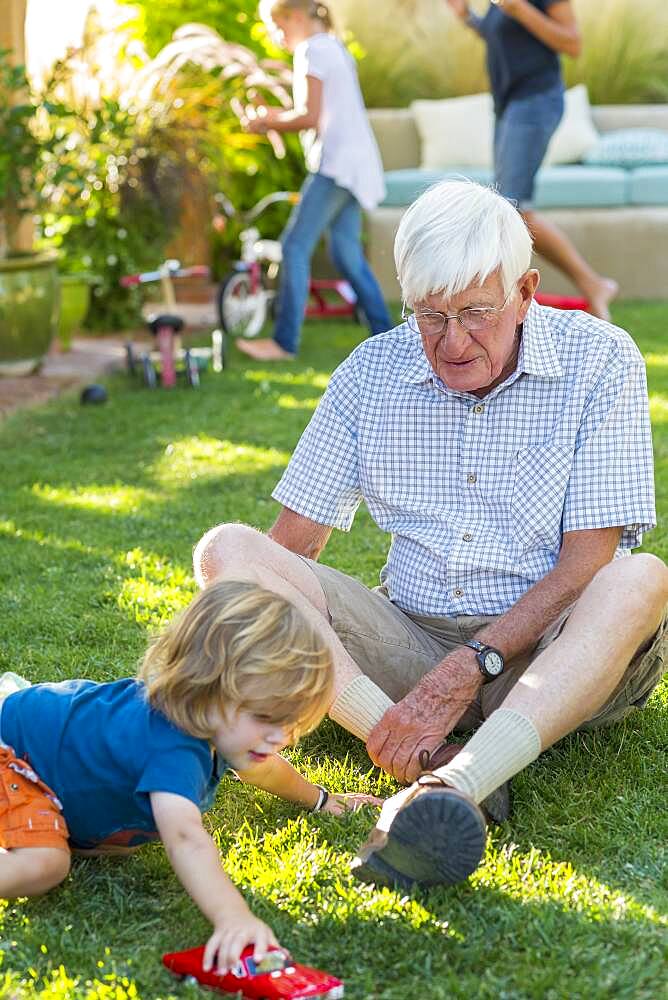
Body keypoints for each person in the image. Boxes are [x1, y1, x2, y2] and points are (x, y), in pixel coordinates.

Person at [193, 179, 668, 891]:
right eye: (430, 315)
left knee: (640, 577)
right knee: (226, 550)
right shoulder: (369, 373)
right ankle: (423, 758)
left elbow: (584, 566)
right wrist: (232, 649)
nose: (452, 341)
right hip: (410, 641)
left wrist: (469, 666)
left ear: (528, 289)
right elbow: (289, 549)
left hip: (562, 649)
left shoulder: (601, 359)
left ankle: (458, 782)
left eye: (477, 312)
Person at [0, 580, 379, 969]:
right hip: (13, 755)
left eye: (289, 721)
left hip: (47, 748)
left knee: (118, 843)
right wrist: (233, 916)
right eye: (266, 717)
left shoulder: (221, 726)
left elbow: (264, 771)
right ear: (208, 684)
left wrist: (322, 799)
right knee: (46, 863)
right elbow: (185, 838)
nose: (279, 736)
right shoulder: (173, 746)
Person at [236, 0, 392, 361]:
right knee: (346, 253)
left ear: (292, 16)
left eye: (277, 26)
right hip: (355, 164)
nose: (277, 35)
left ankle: (283, 343)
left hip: (336, 166)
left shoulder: (311, 51)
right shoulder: (330, 45)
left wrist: (264, 123)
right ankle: (387, 337)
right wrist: (276, 115)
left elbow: (309, 117)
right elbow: (317, 113)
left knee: (294, 246)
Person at [445, 0, 618, 321]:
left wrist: (521, 9)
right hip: (509, 105)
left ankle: (591, 284)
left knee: (513, 210)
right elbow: (503, 37)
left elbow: (573, 43)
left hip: (536, 100)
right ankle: (580, 287)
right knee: (506, 209)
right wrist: (468, 17)